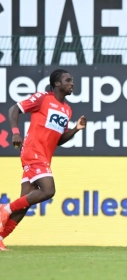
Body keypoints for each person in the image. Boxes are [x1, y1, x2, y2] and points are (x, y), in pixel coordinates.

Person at [0, 69, 87, 251]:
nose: (72, 83)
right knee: (48, 190)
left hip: (44, 157)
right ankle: (5, 208)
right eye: (68, 80)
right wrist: (16, 132)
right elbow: (14, 109)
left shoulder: (67, 110)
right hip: (32, 152)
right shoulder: (43, 98)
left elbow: (60, 139)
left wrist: (76, 129)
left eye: (72, 80)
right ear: (57, 83)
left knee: (25, 203)